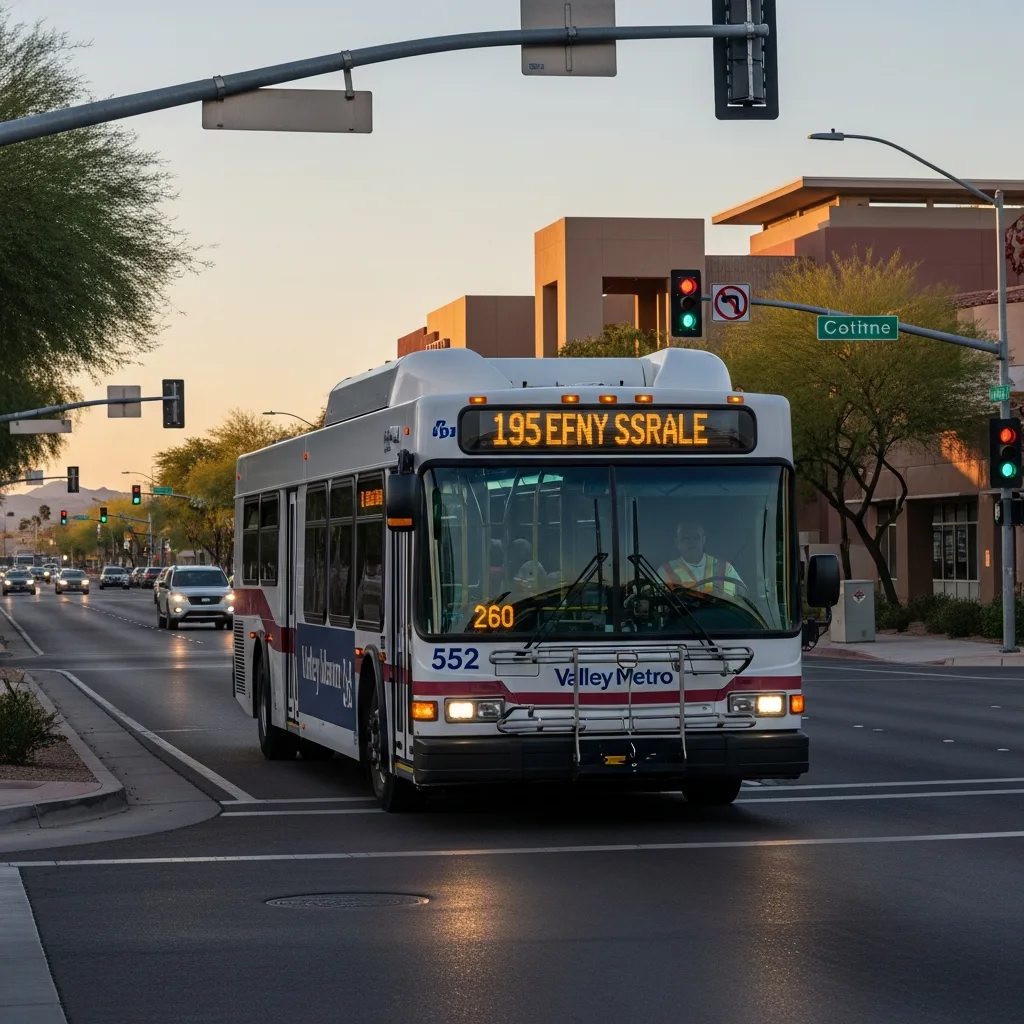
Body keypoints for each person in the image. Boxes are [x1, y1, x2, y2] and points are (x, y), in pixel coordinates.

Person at [659, 520, 743, 596]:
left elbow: (743, 599)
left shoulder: (725, 569)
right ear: (677, 542)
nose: (691, 542)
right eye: (685, 538)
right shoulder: (665, 572)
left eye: (696, 537)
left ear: (703, 540)